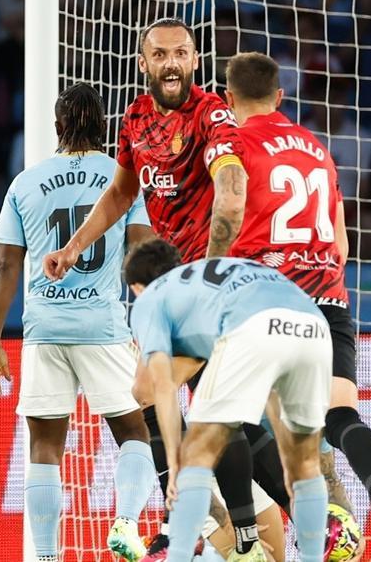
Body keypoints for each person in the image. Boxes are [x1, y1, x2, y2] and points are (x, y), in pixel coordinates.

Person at [42, 18, 269, 559]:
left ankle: (238, 527)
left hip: (208, 288)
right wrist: (73, 249)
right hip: (170, 292)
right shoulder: (135, 118)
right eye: (161, 55)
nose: (172, 63)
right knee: (174, 399)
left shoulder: (211, 114)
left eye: (182, 54)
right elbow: (121, 194)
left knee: (184, 401)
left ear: (195, 61)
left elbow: (232, 190)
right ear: (143, 63)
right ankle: (223, 523)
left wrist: (210, 274)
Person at [203, 52, 371, 560]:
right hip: (329, 300)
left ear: (229, 100)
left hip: (268, 298)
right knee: (339, 416)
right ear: (281, 97)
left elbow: (229, 209)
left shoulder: (233, 142)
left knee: (227, 419)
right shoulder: (318, 149)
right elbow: (340, 244)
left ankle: (293, 524)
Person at [0, 83, 157, 561]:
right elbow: (142, 253)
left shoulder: (25, 183)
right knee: (136, 433)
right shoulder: (125, 180)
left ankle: (44, 556)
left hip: (44, 329)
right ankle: (124, 522)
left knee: (44, 448)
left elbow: (5, 267)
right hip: (102, 327)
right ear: (105, 128)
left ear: (57, 126)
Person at [124, 240, 332, 562]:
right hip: (313, 322)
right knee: (303, 466)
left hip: (252, 330)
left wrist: (174, 462)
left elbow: (156, 388)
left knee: (196, 450)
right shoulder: (206, 281)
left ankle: (179, 546)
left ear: (138, 287)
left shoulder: (152, 298)